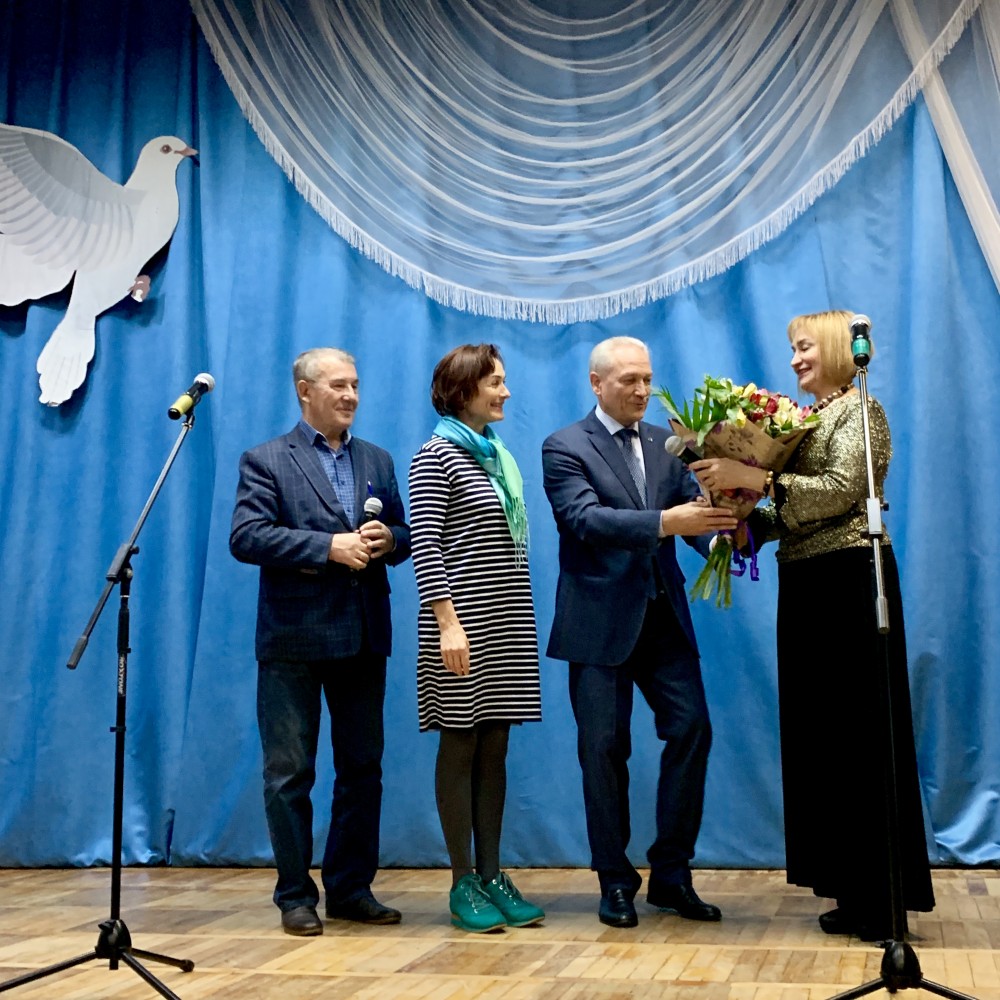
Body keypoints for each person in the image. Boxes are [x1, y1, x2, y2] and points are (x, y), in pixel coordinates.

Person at [690, 310, 935, 939]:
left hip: (852, 580)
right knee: (823, 736)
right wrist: (739, 517)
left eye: (804, 347)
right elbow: (791, 508)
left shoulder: (861, 410)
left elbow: (842, 489)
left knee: (860, 732)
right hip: (806, 585)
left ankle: (881, 894)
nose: (796, 359)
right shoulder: (809, 420)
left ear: (834, 347)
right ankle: (851, 886)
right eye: (792, 349)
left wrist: (757, 479)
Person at [541, 336, 739, 929]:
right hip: (597, 624)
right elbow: (584, 519)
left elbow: (692, 514)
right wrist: (665, 522)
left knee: (692, 730)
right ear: (596, 383)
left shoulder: (667, 443)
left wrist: (721, 537)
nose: (642, 390)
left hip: (663, 618)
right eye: (629, 379)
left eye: (647, 378)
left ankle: (672, 875)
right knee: (603, 750)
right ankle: (615, 881)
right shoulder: (565, 445)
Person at [230, 347, 412, 937]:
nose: (351, 395)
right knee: (290, 774)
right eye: (338, 385)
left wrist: (389, 540)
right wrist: (328, 547)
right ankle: (294, 896)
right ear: (305, 391)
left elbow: (404, 535)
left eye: (355, 384)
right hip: (293, 640)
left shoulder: (377, 458)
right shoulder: (265, 460)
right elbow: (247, 536)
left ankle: (351, 889)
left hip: (362, 635)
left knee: (362, 769)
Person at [409, 343, 545, 934]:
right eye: (495, 382)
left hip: (506, 623)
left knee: (495, 749)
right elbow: (427, 547)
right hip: (461, 624)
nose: (505, 392)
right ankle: (462, 880)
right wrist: (447, 624)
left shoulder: (496, 457)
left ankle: (492, 874)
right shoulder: (435, 456)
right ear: (463, 390)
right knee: (460, 745)